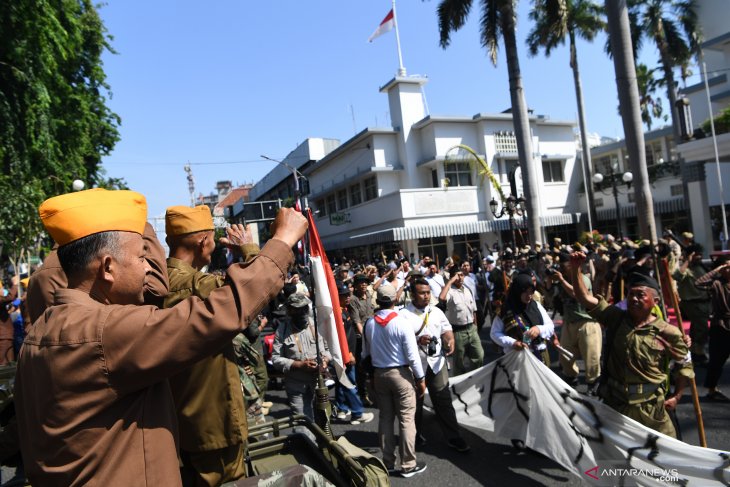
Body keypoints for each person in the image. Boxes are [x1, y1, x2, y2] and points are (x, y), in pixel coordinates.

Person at [15, 188, 306, 485]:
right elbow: (217, 313)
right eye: (142, 258)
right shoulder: (106, 331)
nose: (148, 270)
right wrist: (281, 242)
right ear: (107, 267)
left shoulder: (41, 331)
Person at [162, 204, 260, 486]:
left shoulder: (153, 286)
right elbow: (254, 293)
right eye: (213, 238)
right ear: (203, 241)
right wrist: (250, 250)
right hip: (214, 424)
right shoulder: (199, 285)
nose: (214, 244)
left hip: (177, 419)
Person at [569, 251, 694, 438]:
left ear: (655, 301)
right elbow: (585, 298)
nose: (634, 299)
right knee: (614, 456)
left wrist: (677, 397)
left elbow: (685, 365)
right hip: (616, 405)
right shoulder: (616, 317)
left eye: (640, 295)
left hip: (651, 408)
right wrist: (575, 269)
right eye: (631, 294)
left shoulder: (668, 332)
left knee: (664, 456)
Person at [362, 286, 427, 478]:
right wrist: (421, 378)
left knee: (386, 418)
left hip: (379, 374)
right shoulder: (401, 322)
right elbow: (412, 355)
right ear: (395, 299)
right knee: (407, 419)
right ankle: (408, 464)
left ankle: (388, 462)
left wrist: (370, 377)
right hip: (400, 374)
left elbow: (365, 354)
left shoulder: (370, 323)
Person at [400, 278, 470, 452]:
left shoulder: (436, 312)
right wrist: (417, 340)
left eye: (428, 292)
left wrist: (450, 340)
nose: (426, 296)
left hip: (436, 363)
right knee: (415, 403)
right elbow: (399, 341)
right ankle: (414, 436)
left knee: (444, 400)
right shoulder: (403, 315)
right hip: (414, 367)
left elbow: (446, 330)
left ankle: (454, 437)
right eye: (422, 293)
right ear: (412, 294)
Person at [271, 293, 331, 421]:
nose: (302, 312)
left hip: (318, 383)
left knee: (324, 420)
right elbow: (276, 359)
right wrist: (299, 365)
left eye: (304, 308)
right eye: (297, 309)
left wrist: (325, 360)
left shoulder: (317, 325)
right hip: (296, 385)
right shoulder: (282, 330)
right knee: (304, 422)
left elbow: (328, 349)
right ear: (290, 310)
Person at [549, 253, 602, 394]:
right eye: (559, 266)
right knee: (565, 355)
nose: (561, 268)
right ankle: (571, 378)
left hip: (587, 323)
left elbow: (577, 294)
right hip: (569, 323)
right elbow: (550, 299)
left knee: (591, 358)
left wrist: (561, 280)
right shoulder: (561, 282)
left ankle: (593, 384)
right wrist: (549, 283)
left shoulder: (582, 278)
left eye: (564, 265)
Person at [332, 281, 374, 424]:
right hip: (346, 354)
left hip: (348, 352)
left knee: (342, 381)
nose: (348, 297)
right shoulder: (338, 314)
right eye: (344, 296)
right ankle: (357, 413)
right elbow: (341, 336)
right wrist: (348, 353)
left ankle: (342, 408)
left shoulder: (344, 310)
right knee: (349, 382)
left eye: (348, 295)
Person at [693, 257, 730, 402]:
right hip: (720, 326)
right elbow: (698, 283)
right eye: (726, 267)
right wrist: (718, 269)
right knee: (716, 361)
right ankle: (712, 389)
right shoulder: (717, 283)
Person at [439, 269, 483, 375]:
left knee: (479, 356)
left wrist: (475, 327)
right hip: (458, 332)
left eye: (462, 275)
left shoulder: (468, 290)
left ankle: (474, 378)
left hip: (471, 329)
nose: (460, 277)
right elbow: (441, 297)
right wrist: (450, 281)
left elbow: (473, 310)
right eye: (457, 276)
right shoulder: (450, 292)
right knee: (459, 363)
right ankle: (460, 386)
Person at [673, 244, 711, 366]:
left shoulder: (701, 267)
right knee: (702, 330)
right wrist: (687, 261)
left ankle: (694, 353)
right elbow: (676, 276)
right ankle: (699, 354)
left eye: (700, 254)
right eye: (696, 255)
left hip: (704, 303)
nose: (699, 257)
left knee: (696, 330)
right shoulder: (686, 269)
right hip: (692, 304)